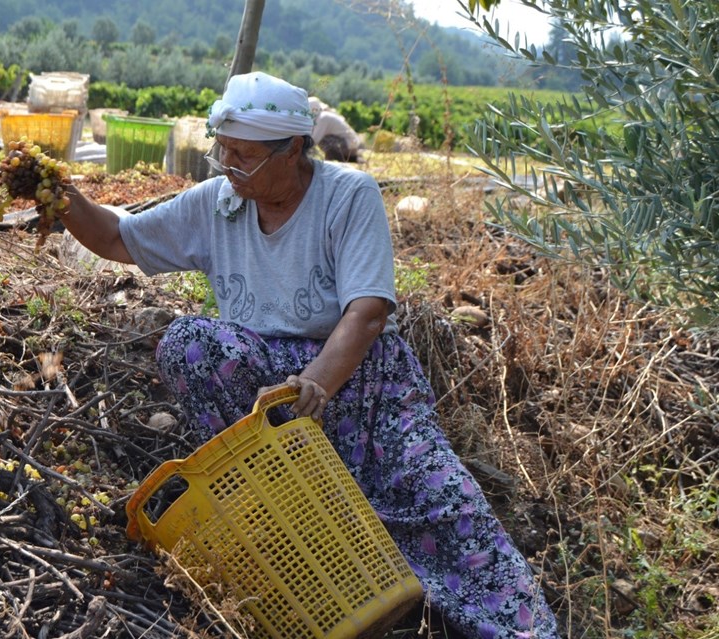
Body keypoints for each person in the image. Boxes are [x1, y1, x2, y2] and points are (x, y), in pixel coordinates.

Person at [56, 71, 559, 639]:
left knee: (447, 505)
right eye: (223, 151)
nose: (228, 166)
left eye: (244, 156)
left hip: (366, 388)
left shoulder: (348, 195)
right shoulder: (218, 204)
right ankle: (280, 499)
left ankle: (512, 629)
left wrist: (315, 384)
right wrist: (63, 196)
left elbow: (367, 311)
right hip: (273, 395)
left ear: (293, 149)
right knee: (189, 345)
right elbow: (119, 237)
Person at [309, 95, 363, 162]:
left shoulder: (323, 117)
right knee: (325, 141)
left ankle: (339, 160)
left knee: (325, 141)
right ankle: (353, 159)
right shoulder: (322, 117)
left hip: (350, 145)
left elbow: (314, 139)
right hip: (349, 144)